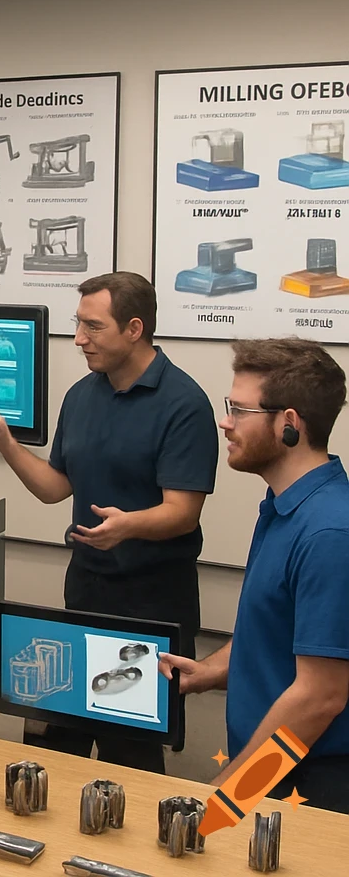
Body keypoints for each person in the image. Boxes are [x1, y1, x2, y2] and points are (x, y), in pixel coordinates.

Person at [0, 271, 218, 773]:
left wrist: (127, 526)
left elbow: (183, 511)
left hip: (149, 598)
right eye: (78, 324)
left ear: (133, 328)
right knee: (60, 734)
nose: (80, 339)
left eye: (93, 326)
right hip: (85, 588)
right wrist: (6, 443)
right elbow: (54, 487)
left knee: (127, 746)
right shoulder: (82, 395)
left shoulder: (183, 404)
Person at [161, 338, 349, 813]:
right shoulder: (286, 505)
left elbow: (320, 697)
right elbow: (279, 632)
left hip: (309, 788)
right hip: (272, 776)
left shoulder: (330, 532)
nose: (225, 421)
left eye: (238, 409)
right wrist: (210, 672)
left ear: (288, 424)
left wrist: (227, 796)